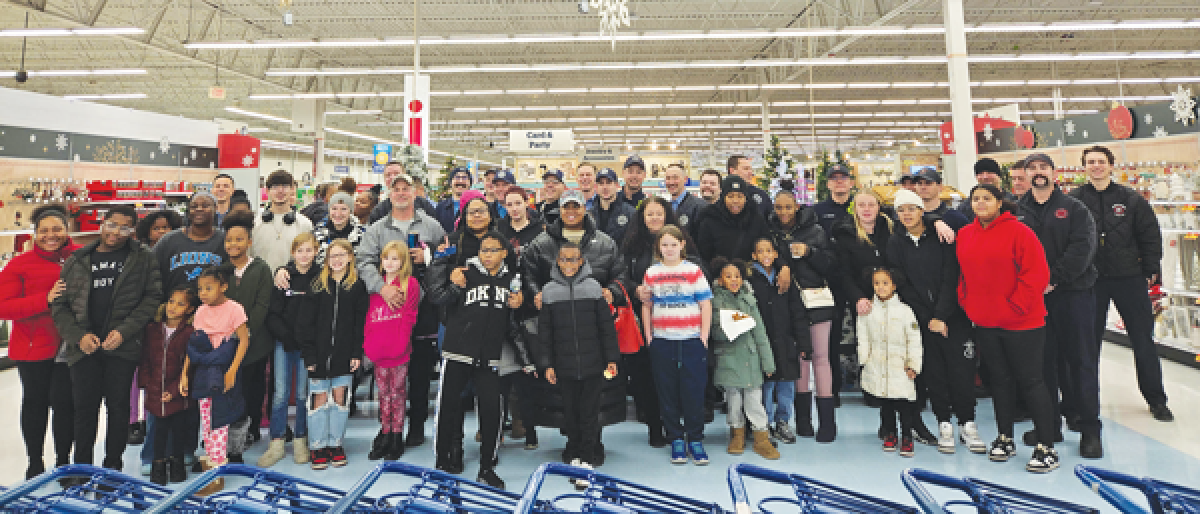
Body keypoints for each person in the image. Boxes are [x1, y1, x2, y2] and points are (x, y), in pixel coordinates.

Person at [957, 183, 1060, 473]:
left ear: (1000, 202)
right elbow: (962, 275)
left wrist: (1015, 306)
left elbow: (1037, 274)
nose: (980, 203)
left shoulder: (1020, 233)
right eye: (975, 199)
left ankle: (1046, 446)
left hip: (1023, 322)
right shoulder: (965, 235)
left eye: (986, 198)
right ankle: (1005, 437)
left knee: (1031, 382)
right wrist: (968, 303)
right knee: (999, 382)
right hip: (986, 322)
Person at [52, 205, 161, 476]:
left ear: (133, 230)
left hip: (122, 347)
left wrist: (125, 331)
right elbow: (60, 305)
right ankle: (82, 469)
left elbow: (152, 298)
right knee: (84, 410)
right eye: (112, 224)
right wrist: (78, 337)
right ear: (103, 223)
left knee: (118, 408)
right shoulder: (77, 259)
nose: (117, 232)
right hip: (83, 348)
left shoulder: (143, 258)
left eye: (125, 227)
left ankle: (112, 467)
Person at [1070, 145, 1172, 422]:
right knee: (1088, 345)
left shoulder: (1131, 199)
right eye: (1090, 162)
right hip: (1090, 280)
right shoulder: (1074, 201)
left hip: (1129, 278)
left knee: (1143, 340)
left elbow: (1149, 234)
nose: (1096, 166)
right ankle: (1085, 403)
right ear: (1084, 167)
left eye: (1101, 161)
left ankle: (1157, 399)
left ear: (1111, 165)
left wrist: (1152, 267)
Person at [1017, 152, 1102, 459]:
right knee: (1042, 365)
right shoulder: (1017, 211)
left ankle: (1090, 429)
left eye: (1043, 168)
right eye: (1033, 169)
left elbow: (1083, 249)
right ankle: (1048, 426)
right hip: (1034, 301)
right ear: (1026, 175)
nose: (1038, 173)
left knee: (1081, 362)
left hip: (1073, 295)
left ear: (1053, 173)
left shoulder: (1074, 209)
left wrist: (1053, 279)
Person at [887, 189, 983, 455]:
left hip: (954, 316)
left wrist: (941, 314)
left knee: (961, 372)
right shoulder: (896, 243)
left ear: (922, 211)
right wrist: (929, 318)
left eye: (912, 208)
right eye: (901, 209)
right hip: (923, 321)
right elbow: (901, 283)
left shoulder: (943, 236)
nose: (906, 214)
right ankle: (944, 424)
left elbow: (951, 276)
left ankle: (967, 422)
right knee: (934, 373)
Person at [357, 172, 445, 447]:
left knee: (418, 370)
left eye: (406, 189)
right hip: (387, 312)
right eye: (397, 189)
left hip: (423, 311)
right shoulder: (377, 229)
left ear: (415, 193)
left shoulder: (431, 226)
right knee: (387, 374)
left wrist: (428, 256)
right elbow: (363, 261)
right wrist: (380, 287)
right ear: (389, 193)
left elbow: (445, 258)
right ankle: (388, 429)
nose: (402, 193)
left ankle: (416, 425)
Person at [430, 232, 523, 489]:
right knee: (448, 407)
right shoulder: (465, 273)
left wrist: (520, 303)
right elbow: (437, 296)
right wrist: (448, 277)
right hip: (457, 352)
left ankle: (486, 466)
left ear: (504, 252)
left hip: (490, 356)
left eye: (493, 250)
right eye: (484, 250)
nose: (488, 255)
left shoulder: (511, 280)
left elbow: (515, 319)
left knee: (492, 411)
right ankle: (441, 461)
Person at [0, 205, 79, 479]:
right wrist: (45, 299)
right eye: (44, 231)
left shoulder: (80, 257)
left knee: (65, 404)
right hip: (33, 348)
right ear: (35, 234)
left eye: (57, 229)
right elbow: (4, 307)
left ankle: (64, 460)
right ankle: (34, 460)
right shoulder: (19, 264)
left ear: (67, 229)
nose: (51, 235)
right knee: (35, 403)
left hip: (70, 346)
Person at [619, 196, 699, 448]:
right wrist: (635, 290)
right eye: (649, 214)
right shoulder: (632, 245)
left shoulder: (681, 240)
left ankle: (682, 426)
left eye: (659, 214)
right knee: (647, 377)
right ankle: (655, 425)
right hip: (644, 323)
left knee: (677, 378)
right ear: (641, 218)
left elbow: (698, 270)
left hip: (679, 323)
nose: (654, 218)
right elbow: (621, 276)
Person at [536, 242, 620, 482]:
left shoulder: (594, 288)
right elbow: (545, 334)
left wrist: (611, 359)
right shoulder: (549, 291)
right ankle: (573, 450)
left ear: (582, 261)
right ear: (557, 261)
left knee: (589, 413)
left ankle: (587, 456)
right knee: (570, 412)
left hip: (593, 365)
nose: (569, 264)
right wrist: (547, 364)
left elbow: (606, 329)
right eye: (564, 259)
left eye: (574, 259)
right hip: (564, 367)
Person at [766, 190, 838, 441]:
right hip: (787, 303)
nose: (783, 212)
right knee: (799, 359)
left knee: (820, 357)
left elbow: (830, 265)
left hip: (817, 299)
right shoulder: (770, 232)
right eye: (778, 207)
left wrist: (809, 252)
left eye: (787, 207)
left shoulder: (816, 231)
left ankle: (827, 423)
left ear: (796, 206)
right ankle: (803, 422)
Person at [641, 225, 713, 466]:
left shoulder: (693, 272)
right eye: (664, 245)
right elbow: (647, 305)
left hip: (691, 340)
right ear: (658, 248)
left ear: (682, 245)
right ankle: (676, 439)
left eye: (673, 244)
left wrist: (703, 337)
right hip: (663, 341)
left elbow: (705, 305)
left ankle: (695, 439)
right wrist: (649, 336)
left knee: (693, 391)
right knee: (667, 392)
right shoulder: (651, 273)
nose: (669, 249)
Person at [297, 239, 368, 470]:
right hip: (318, 355)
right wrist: (309, 355)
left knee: (340, 398)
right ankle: (317, 445)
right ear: (326, 260)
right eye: (332, 256)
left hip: (344, 355)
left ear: (349, 258)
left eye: (341, 255)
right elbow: (305, 323)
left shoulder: (357, 286)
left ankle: (335, 444)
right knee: (318, 399)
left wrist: (356, 352)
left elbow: (360, 324)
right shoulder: (317, 285)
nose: (336, 260)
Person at [181, 265, 249, 495]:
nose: (203, 293)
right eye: (200, 288)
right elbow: (195, 345)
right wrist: (184, 373)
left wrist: (231, 371)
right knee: (206, 420)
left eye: (208, 288)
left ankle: (217, 472)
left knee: (220, 421)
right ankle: (211, 464)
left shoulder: (235, 309)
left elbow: (243, 341)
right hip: (203, 372)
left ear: (224, 286)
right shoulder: (200, 312)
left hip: (224, 370)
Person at [259, 233, 319, 468]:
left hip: (308, 346)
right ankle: (276, 442)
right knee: (281, 393)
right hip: (284, 344)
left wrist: (309, 341)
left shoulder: (319, 279)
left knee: (303, 394)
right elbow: (273, 314)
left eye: (309, 250)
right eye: (300, 250)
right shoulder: (283, 278)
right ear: (293, 253)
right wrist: (286, 337)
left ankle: (301, 440)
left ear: (315, 252)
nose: (304, 255)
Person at [709, 257, 779, 461]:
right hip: (728, 360)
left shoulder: (750, 300)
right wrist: (732, 326)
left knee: (754, 402)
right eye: (728, 276)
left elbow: (760, 334)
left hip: (751, 361)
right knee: (733, 402)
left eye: (737, 276)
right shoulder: (715, 302)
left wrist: (768, 362)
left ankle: (761, 438)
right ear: (720, 280)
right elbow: (716, 333)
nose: (733, 280)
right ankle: (736, 435)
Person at [220, 211, 273, 463]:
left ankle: (251, 428)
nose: (233, 245)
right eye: (229, 240)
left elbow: (262, 304)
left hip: (255, 343)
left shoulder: (261, 269)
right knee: (230, 389)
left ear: (249, 242)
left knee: (253, 387)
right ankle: (226, 434)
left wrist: (246, 332)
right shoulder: (220, 270)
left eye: (239, 240)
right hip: (225, 344)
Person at [747, 237, 810, 444]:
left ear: (776, 254)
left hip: (786, 342)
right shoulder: (749, 280)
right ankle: (762, 424)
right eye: (760, 251)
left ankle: (783, 422)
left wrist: (803, 343)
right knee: (765, 386)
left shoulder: (786, 280)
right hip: (761, 344)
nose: (766, 255)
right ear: (754, 256)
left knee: (786, 386)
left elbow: (797, 312)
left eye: (769, 251)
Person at [364, 241, 422, 461]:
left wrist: (402, 342)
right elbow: (369, 317)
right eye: (386, 258)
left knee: (397, 393)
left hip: (399, 348)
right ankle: (385, 432)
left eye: (395, 259)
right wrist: (368, 344)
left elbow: (409, 317)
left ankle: (397, 434)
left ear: (403, 262)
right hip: (378, 347)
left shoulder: (410, 284)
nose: (390, 263)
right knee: (383, 394)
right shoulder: (376, 286)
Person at [856, 267, 922, 458]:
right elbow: (863, 336)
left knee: (904, 403)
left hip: (900, 366)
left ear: (894, 285)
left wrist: (913, 364)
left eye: (885, 283)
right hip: (877, 364)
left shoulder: (905, 311)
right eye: (877, 283)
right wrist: (865, 359)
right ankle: (890, 433)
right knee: (885, 403)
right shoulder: (868, 310)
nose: (880, 287)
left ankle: (907, 436)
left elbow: (914, 340)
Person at [140, 285, 197, 485]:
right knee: (158, 431)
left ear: (189, 309)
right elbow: (145, 359)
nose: (173, 307)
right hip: (156, 392)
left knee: (179, 430)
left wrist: (173, 391)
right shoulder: (152, 329)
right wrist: (148, 385)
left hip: (179, 394)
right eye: (171, 301)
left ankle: (177, 465)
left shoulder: (190, 332)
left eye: (180, 304)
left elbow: (189, 366)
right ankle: (158, 466)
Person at [154, 191, 226, 293]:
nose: (199, 209)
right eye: (194, 206)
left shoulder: (224, 240)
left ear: (215, 209)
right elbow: (152, 273)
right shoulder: (168, 240)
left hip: (213, 307)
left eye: (205, 205)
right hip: (176, 306)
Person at [254, 170, 315, 273]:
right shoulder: (255, 224)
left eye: (285, 186)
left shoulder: (305, 224)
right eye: (275, 187)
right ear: (267, 191)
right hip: (261, 284)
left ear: (292, 190)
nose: (280, 191)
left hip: (292, 284)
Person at [313, 192, 367, 266]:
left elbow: (364, 262)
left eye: (343, 209)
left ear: (351, 211)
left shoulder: (363, 235)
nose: (338, 213)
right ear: (329, 210)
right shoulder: (316, 233)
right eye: (334, 208)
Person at [589, 167, 637, 244]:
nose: (605, 187)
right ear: (596, 187)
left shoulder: (631, 213)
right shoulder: (589, 215)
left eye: (609, 182)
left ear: (617, 185)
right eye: (601, 183)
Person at [498, 188, 545, 253]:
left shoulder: (539, 229)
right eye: (509, 205)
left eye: (518, 203)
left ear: (526, 203)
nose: (514, 208)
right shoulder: (499, 228)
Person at [726, 155, 773, 219]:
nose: (750, 172)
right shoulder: (719, 193)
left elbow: (771, 219)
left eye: (751, 169)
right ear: (732, 171)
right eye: (746, 169)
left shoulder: (761, 195)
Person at [664, 163, 705, 233]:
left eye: (675, 178)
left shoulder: (699, 206)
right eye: (668, 178)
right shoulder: (665, 207)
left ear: (685, 179)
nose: (671, 182)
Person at [435, 168, 473, 234]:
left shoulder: (475, 206)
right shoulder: (440, 207)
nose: (461, 181)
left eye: (464, 178)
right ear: (450, 183)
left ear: (470, 184)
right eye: (457, 177)